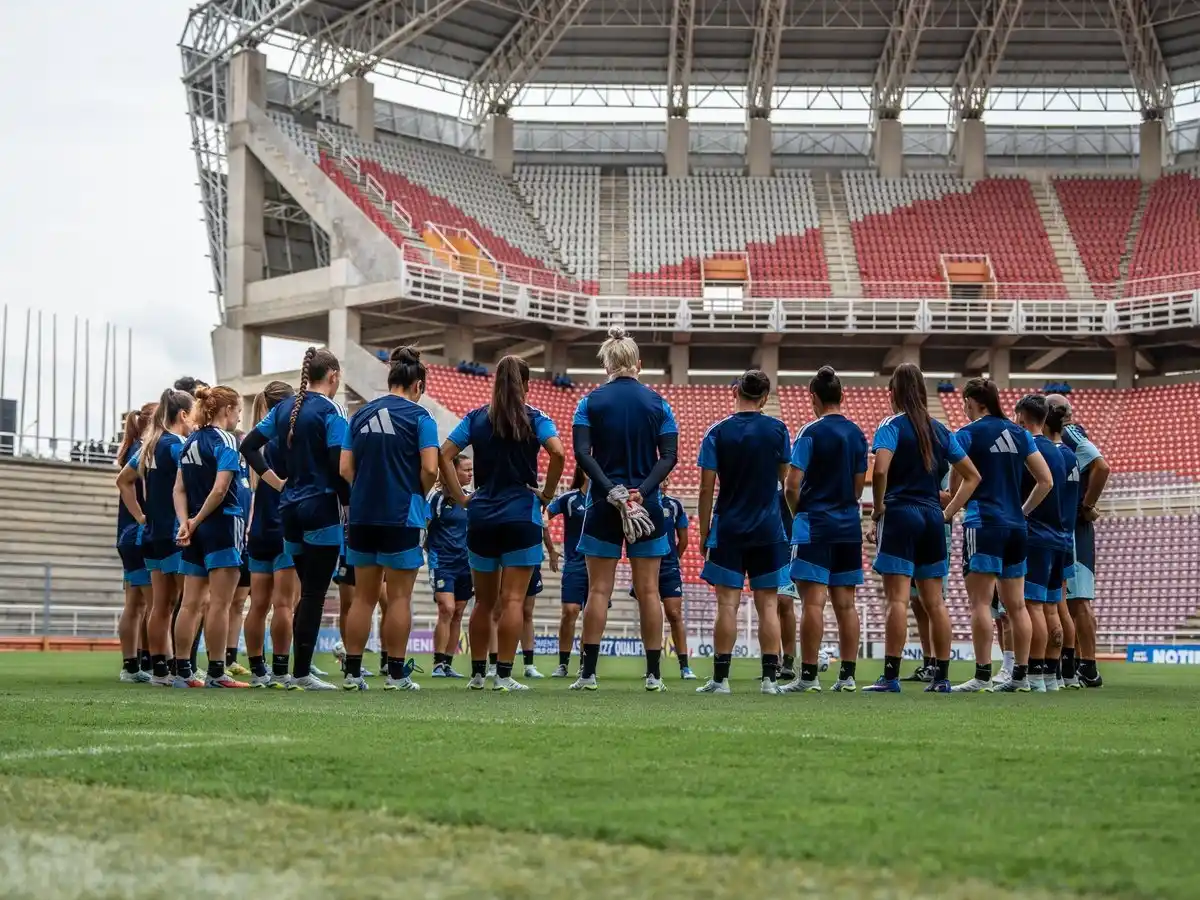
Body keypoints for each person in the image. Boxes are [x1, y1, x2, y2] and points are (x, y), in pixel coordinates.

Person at [438, 355, 566, 692]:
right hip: (521, 516)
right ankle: (504, 676)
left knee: (483, 602)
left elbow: (444, 454)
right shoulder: (536, 418)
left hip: (482, 516)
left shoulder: (476, 418)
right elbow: (558, 453)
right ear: (526, 385)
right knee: (512, 601)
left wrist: (461, 497)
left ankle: (477, 675)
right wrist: (547, 494)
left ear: (495, 382)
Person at [570, 327, 678, 692]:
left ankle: (588, 674)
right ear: (638, 364)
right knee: (648, 592)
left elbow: (582, 454)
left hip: (603, 503)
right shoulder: (659, 404)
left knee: (598, 591)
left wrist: (610, 490)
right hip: (646, 505)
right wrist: (641, 492)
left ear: (607, 365)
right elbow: (669, 456)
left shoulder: (589, 403)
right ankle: (654, 675)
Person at [866, 363, 980, 693]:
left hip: (900, 515)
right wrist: (949, 512)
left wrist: (878, 507)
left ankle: (890, 677)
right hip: (932, 517)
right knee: (935, 603)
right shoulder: (941, 430)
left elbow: (881, 470)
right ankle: (941, 677)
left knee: (897, 601)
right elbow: (972, 476)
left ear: (894, 392)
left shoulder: (891, 425)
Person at [240, 347, 349, 691]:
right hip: (320, 506)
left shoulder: (284, 408)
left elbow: (248, 446)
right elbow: (338, 463)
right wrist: (348, 504)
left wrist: (275, 481)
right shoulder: (331, 409)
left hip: (288, 509)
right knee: (313, 594)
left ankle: (292, 671)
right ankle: (300, 672)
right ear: (332, 375)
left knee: (305, 592)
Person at [339, 347, 439, 691]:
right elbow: (430, 468)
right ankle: (396, 675)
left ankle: (352, 674)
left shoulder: (359, 415)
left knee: (363, 598)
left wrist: (367, 489)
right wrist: (417, 492)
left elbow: (345, 468)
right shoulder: (422, 417)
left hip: (362, 516)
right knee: (398, 598)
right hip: (402, 515)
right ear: (418, 385)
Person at [950, 378, 1053, 693]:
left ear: (972, 402)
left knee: (980, 604)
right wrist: (1022, 511)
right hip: (1016, 527)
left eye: (966, 403)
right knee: (1017, 606)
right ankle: (1020, 677)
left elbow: (956, 480)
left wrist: (952, 505)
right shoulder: (1021, 434)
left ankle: (982, 675)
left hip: (983, 524)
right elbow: (1045, 481)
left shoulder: (967, 433)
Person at [695, 369, 790, 695]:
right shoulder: (778, 430)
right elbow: (784, 478)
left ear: (735, 391)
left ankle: (721, 680)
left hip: (729, 528)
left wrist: (704, 532)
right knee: (768, 606)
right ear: (764, 397)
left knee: (727, 606)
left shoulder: (717, 432)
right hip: (768, 528)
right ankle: (769, 681)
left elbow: (706, 489)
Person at [783, 366, 866, 693]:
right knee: (846, 605)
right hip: (848, 526)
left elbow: (791, 485)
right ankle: (847, 677)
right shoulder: (857, 433)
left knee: (813, 604)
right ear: (841, 396)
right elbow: (859, 486)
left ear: (814, 397)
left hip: (815, 524)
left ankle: (808, 677)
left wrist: (797, 513)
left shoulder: (810, 432)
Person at [172, 385, 255, 688]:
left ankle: (182, 672)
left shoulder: (190, 441)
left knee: (189, 604)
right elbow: (220, 490)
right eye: (238, 411)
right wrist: (196, 520)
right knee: (220, 603)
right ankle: (217, 672)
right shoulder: (227, 440)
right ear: (227, 410)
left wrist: (186, 522)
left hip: (195, 529)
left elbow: (178, 489)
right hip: (222, 525)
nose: (238, 417)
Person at [120, 389, 194, 686]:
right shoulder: (179, 446)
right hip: (176, 533)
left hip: (152, 535)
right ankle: (183, 668)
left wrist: (141, 517)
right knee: (188, 604)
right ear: (183, 415)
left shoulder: (150, 445)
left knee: (160, 606)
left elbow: (123, 481)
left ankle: (160, 671)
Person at [1012, 394, 1074, 692]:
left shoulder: (1030, 448)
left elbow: (1037, 485)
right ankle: (1051, 674)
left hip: (1036, 535)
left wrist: (1022, 512)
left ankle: (1034, 673)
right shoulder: (1060, 452)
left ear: (1023, 418)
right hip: (1059, 537)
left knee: (1033, 606)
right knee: (1052, 608)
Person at [1048, 393, 1109, 688]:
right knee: (1068, 601)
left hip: (1073, 527)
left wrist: (1087, 505)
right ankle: (1075, 665)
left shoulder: (1070, 433)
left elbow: (1101, 466)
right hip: (1067, 526)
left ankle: (1088, 667)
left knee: (1078, 600)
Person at [241, 382, 299, 688]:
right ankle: (280, 671)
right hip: (285, 527)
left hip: (260, 529)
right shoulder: (287, 438)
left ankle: (257, 670)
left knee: (258, 605)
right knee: (284, 605)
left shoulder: (259, 439)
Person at [628, 478, 695, 679]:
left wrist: (674, 559)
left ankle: (684, 666)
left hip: (668, 566)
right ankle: (652, 665)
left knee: (674, 613)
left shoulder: (675, 505)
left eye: (667, 479)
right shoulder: (640, 502)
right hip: (646, 564)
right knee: (648, 611)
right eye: (662, 479)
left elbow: (683, 539)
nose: (664, 482)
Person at [114, 402, 157, 683]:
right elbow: (125, 483)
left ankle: (134, 664)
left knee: (137, 604)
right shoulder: (144, 451)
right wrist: (141, 517)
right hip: (138, 534)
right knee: (153, 604)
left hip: (128, 534)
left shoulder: (136, 449)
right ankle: (151, 664)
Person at [1044, 397, 1084, 690]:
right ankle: (1068, 670)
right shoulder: (1070, 454)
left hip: (1047, 535)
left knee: (1046, 605)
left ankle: (1048, 670)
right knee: (1062, 605)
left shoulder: (1048, 455)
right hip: (1066, 536)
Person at [427, 454, 474, 678]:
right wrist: (431, 552)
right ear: (452, 472)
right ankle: (437, 663)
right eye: (466, 470)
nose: (470, 474)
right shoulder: (436, 499)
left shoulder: (471, 500)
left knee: (458, 613)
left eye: (471, 470)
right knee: (446, 608)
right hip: (442, 562)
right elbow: (424, 527)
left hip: (465, 564)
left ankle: (447, 663)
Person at [546, 469, 589, 677]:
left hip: (600, 565)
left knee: (592, 615)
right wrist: (551, 550)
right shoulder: (569, 499)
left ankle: (586, 664)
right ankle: (563, 663)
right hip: (574, 564)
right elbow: (543, 516)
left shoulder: (606, 499)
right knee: (570, 611)